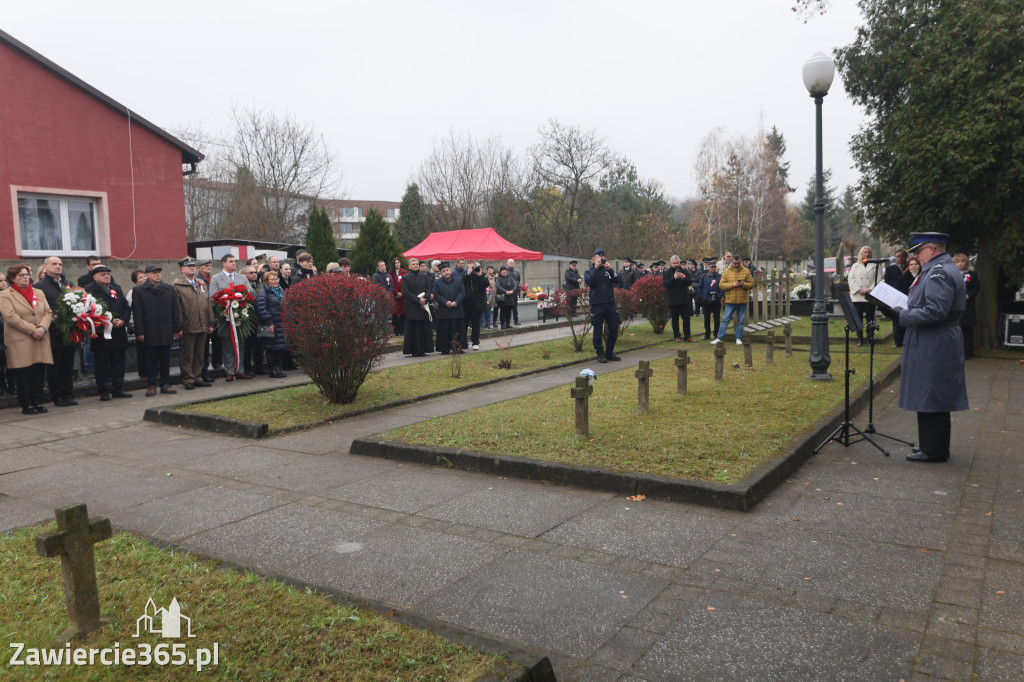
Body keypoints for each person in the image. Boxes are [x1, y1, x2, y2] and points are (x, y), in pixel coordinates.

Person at [889, 232, 968, 463]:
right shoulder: (939, 269)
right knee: (930, 392)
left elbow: (936, 311)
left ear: (931, 249)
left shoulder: (938, 272)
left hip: (935, 340)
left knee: (932, 392)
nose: (916, 257)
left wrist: (904, 315)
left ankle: (934, 450)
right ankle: (931, 445)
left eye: (918, 251)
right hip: (935, 339)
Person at [0, 263, 53, 414]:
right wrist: (32, 330)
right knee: (24, 373)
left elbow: (48, 312)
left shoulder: (38, 292)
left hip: (40, 337)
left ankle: (37, 402)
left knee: (38, 372)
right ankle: (27, 404)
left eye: (27, 274)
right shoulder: (5, 295)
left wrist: (42, 328)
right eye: (21, 275)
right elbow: (10, 317)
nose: (26, 277)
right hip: (21, 338)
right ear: (12, 278)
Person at [33, 256, 78, 406]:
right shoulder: (39, 287)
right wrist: (53, 317)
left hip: (70, 331)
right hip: (52, 332)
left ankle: (68, 394)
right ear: (45, 267)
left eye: (60, 264)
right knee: (55, 366)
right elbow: (38, 310)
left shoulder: (68, 284)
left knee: (68, 365)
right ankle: (57, 396)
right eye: (54, 264)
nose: (58, 266)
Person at [83, 265, 132, 400]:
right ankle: (103, 390)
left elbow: (126, 307)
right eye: (103, 274)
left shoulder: (116, 288)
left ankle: (118, 389)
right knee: (102, 364)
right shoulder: (89, 291)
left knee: (118, 363)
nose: (107, 276)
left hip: (118, 332)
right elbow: (86, 311)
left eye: (108, 274)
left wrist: (122, 319)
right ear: (95, 277)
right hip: (100, 333)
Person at [131, 265, 181, 396]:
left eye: (159, 272)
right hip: (149, 330)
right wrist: (140, 332)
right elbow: (137, 313)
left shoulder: (169, 289)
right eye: (154, 273)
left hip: (166, 329)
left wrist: (176, 328)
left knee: (165, 358)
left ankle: (165, 384)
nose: (158, 275)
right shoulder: (139, 290)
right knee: (150, 359)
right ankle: (151, 385)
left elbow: (175, 310)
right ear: (147, 275)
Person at [209, 254, 255, 381]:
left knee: (241, 344)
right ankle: (229, 371)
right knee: (228, 345)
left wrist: (241, 296)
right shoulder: (216, 278)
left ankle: (240, 370)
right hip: (225, 317)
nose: (234, 263)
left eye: (234, 261)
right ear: (223, 263)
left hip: (240, 316)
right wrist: (226, 299)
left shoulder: (242, 277)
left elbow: (251, 292)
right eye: (231, 261)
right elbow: (212, 296)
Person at [173, 258, 214, 390]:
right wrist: (178, 326)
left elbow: (208, 304)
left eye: (193, 266)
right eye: (189, 266)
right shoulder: (177, 285)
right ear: (182, 269)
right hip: (188, 325)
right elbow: (177, 308)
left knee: (200, 353)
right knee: (188, 354)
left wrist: (210, 322)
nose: (192, 268)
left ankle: (197, 377)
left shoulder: (201, 283)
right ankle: (188, 378)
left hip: (203, 324)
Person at [585, 249, 621, 363]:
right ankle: (600, 353)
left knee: (614, 328)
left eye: (602, 258)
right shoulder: (589, 271)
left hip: (610, 303)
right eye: (597, 258)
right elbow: (589, 282)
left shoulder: (607, 271)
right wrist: (596, 268)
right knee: (598, 330)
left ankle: (609, 352)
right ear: (593, 259)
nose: (600, 260)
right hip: (597, 304)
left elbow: (617, 280)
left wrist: (610, 269)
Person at [712, 254, 754, 345]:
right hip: (730, 301)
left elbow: (751, 284)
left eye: (738, 263)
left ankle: (738, 338)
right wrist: (732, 285)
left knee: (741, 320)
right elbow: (721, 285)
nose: (736, 265)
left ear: (741, 261)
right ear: (731, 261)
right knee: (725, 320)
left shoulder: (746, 271)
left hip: (742, 300)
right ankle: (719, 338)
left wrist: (743, 284)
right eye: (734, 263)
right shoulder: (726, 272)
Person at [847, 246, 884, 346]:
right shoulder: (855, 265)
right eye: (865, 252)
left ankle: (869, 338)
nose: (867, 254)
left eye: (869, 252)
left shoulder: (876, 266)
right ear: (861, 254)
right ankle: (860, 338)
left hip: (869, 295)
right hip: (857, 296)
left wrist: (870, 289)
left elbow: (879, 278)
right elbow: (851, 279)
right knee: (858, 318)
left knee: (870, 317)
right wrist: (858, 290)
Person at [256, 271, 289, 378]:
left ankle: (278, 369)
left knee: (280, 348)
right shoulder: (263, 293)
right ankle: (272, 370)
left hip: (281, 323)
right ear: (266, 281)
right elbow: (261, 309)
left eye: (277, 279)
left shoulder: (280, 290)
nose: (276, 281)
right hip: (271, 324)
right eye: (273, 279)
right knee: (271, 348)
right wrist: (269, 323)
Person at [402, 258, 433, 357]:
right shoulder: (406, 277)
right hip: (412, 308)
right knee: (414, 330)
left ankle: (424, 349)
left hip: (423, 307)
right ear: (409, 266)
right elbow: (406, 292)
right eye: (413, 264)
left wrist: (426, 299)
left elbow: (429, 289)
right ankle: (414, 350)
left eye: (417, 264)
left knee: (424, 329)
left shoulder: (424, 276)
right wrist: (417, 300)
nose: (416, 265)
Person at [951, 254, 980, 359]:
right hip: (954, 306)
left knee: (967, 331)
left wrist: (969, 295)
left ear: (966, 263)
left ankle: (967, 353)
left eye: (962, 261)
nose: (960, 264)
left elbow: (977, 288)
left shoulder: (972, 275)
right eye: (957, 262)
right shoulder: (951, 275)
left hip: (968, 307)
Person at [433, 262, 465, 353]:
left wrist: (456, 302)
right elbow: (436, 294)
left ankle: (457, 348)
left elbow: (462, 292)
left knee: (457, 329)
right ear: (441, 273)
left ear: (450, 270)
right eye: (443, 271)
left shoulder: (459, 280)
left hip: (456, 309)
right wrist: (445, 302)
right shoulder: (437, 282)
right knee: (444, 330)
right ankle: (445, 348)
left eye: (447, 270)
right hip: (444, 310)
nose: (446, 272)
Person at [663, 255, 694, 342]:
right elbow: (666, 284)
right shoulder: (667, 272)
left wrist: (683, 277)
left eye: (677, 263)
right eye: (674, 263)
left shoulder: (684, 271)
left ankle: (687, 336)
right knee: (675, 319)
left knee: (686, 319)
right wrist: (674, 278)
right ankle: (677, 336)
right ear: (670, 263)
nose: (676, 265)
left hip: (684, 299)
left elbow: (689, 282)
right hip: (673, 300)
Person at [885, 250, 909, 347]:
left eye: (902, 256)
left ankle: (906, 340)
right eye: (898, 256)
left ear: (905, 257)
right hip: (895, 297)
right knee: (896, 319)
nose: (900, 258)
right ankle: (897, 341)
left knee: (906, 318)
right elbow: (887, 282)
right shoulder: (890, 269)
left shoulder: (909, 267)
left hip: (907, 296)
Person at [462, 263, 488, 349]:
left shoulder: (481, 275)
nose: (473, 269)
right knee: (464, 324)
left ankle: (475, 342)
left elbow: (486, 284)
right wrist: (468, 274)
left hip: (478, 304)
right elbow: (460, 283)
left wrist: (480, 275)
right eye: (471, 267)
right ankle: (463, 342)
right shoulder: (464, 275)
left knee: (476, 324)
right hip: (466, 304)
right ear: (467, 267)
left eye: (474, 267)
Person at [696, 261, 722, 340]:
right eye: (711, 267)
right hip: (706, 301)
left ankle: (716, 334)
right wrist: (702, 296)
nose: (713, 268)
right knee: (706, 318)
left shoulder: (720, 276)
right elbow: (699, 287)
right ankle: (707, 334)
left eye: (714, 267)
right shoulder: (704, 276)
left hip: (716, 301)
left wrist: (719, 296)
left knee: (716, 318)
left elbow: (723, 288)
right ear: (708, 268)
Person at [495, 265, 518, 330]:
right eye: (503, 270)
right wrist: (505, 291)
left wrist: (512, 291)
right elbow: (498, 286)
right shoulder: (498, 279)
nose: (504, 272)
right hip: (502, 298)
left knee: (509, 311)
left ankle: (508, 323)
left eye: (505, 270)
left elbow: (515, 285)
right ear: (500, 271)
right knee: (503, 311)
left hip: (510, 297)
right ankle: (502, 324)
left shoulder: (510, 278)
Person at [389, 258, 406, 336]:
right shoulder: (391, 273)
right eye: (395, 263)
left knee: (403, 314)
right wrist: (396, 293)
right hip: (395, 296)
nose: (397, 264)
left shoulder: (404, 272)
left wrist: (402, 293)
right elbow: (391, 284)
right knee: (395, 314)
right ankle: (396, 331)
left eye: (398, 262)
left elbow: (405, 283)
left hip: (402, 296)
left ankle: (403, 330)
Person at [505, 259, 522, 325]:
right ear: (507, 264)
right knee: (507, 308)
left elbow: (518, 281)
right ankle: (506, 321)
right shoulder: (505, 271)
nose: (511, 264)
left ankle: (516, 320)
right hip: (507, 292)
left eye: (512, 263)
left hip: (514, 292)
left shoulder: (516, 272)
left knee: (515, 307)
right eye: (510, 263)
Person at [484, 265, 498, 329]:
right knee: (487, 310)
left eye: (491, 269)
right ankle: (487, 324)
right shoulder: (485, 277)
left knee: (496, 309)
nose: (490, 270)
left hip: (496, 295)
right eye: (488, 269)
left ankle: (495, 322)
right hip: (489, 295)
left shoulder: (497, 277)